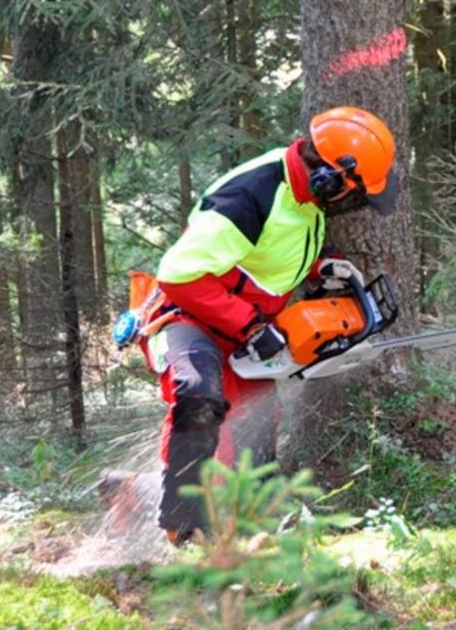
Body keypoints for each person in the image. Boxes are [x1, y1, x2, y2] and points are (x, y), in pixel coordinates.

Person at [144, 106, 398, 544]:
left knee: (257, 424)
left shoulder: (307, 195)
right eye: (352, 192)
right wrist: (250, 327)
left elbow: (282, 240)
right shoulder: (252, 195)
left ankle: (257, 522)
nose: (351, 203)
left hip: (241, 325)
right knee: (199, 397)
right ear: (330, 179)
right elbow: (179, 274)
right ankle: (183, 528)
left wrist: (321, 264)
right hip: (188, 311)